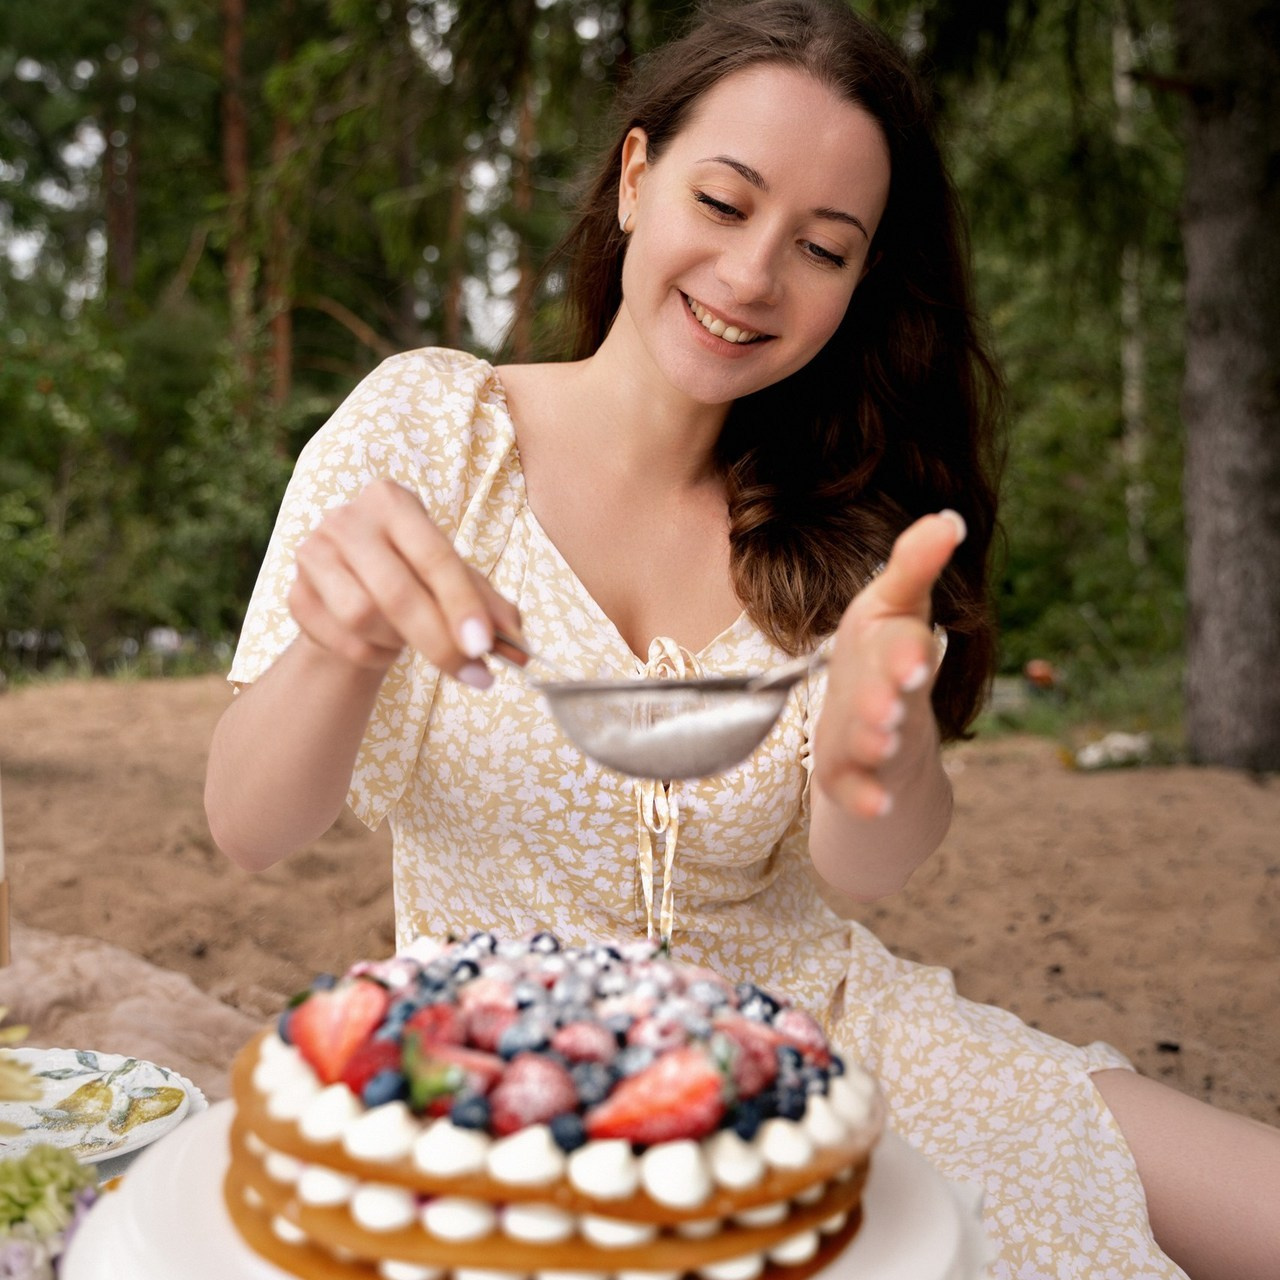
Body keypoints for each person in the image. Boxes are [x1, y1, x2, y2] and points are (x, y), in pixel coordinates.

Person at [204, 2, 1280, 1276]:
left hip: (827, 1049)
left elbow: (867, 863)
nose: (752, 276)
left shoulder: (845, 518)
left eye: (821, 249)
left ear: (855, 285)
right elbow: (247, 823)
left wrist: (877, 756)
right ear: (636, 178)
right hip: (524, 1092)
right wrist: (339, 645)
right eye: (723, 203)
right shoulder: (431, 431)